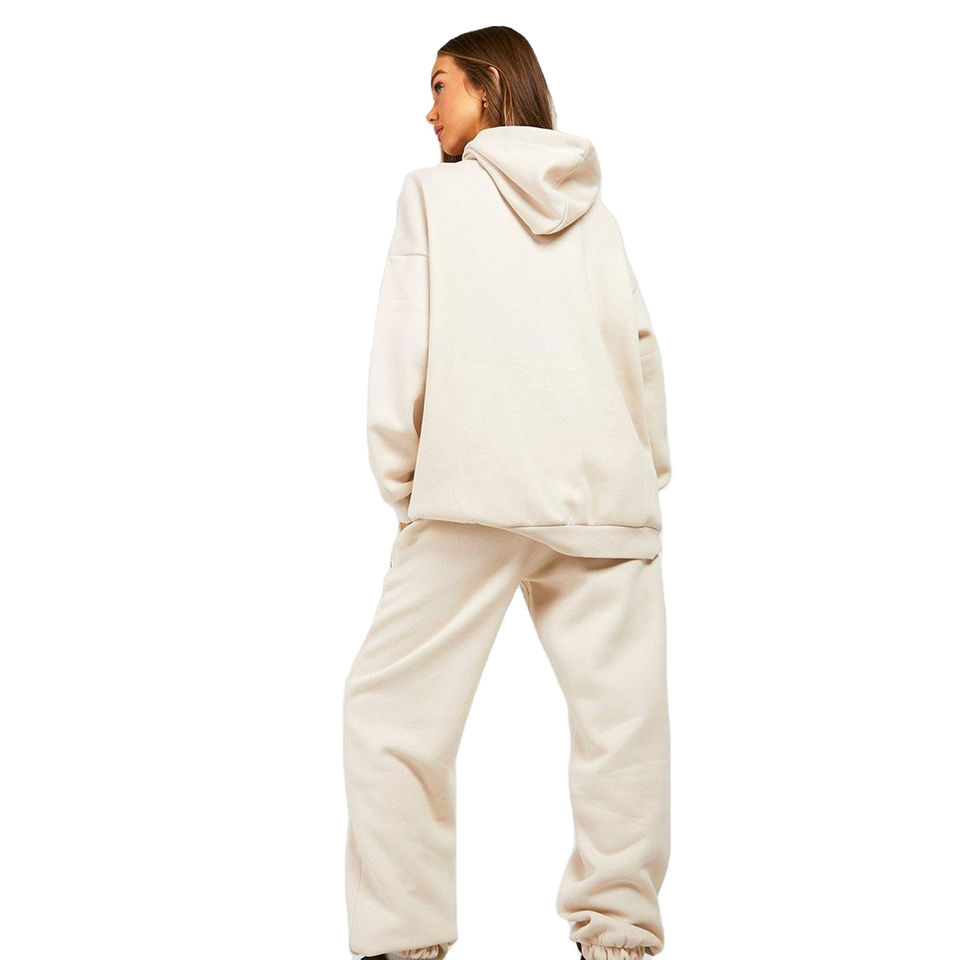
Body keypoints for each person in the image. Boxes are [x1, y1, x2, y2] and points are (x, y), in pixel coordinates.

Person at [343, 25, 673, 960]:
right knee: (622, 726)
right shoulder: (597, 215)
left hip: (470, 492)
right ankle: (620, 934)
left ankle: (405, 938)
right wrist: (642, 473)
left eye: (440, 85)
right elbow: (640, 350)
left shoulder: (432, 197)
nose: (428, 110)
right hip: (604, 494)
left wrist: (405, 484)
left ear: (488, 86)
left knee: (391, 716)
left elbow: (402, 349)